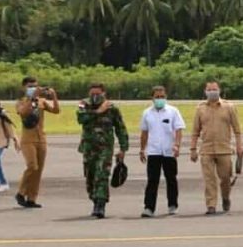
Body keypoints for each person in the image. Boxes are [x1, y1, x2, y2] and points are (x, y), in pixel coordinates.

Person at [189, 81, 243, 215]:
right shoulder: (200, 109)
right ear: (205, 91)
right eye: (209, 89)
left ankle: (225, 197)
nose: (212, 91)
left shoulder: (229, 107)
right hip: (206, 149)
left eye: (214, 89)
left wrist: (239, 146)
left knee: (225, 178)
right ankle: (211, 205)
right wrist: (193, 149)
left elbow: (237, 129)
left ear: (219, 90)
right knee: (209, 179)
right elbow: (195, 131)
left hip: (224, 149)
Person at [77, 83, 129, 219]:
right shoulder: (83, 104)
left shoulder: (112, 109)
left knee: (102, 174)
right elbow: (81, 119)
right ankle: (94, 198)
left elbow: (120, 129)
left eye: (98, 94)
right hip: (88, 148)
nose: (95, 97)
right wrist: (98, 111)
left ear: (104, 93)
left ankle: (100, 205)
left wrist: (123, 148)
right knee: (90, 176)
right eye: (92, 94)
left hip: (105, 148)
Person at [139, 86, 185, 218]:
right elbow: (144, 132)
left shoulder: (173, 111)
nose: (160, 99)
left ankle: (172, 205)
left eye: (162, 97)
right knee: (152, 180)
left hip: (169, 151)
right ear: (152, 98)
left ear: (166, 97)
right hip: (154, 151)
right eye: (157, 97)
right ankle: (149, 207)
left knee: (171, 179)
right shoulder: (147, 113)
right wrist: (142, 149)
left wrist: (177, 145)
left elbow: (178, 130)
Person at [15, 76, 60, 209]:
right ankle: (21, 192)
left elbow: (56, 110)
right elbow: (23, 112)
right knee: (32, 166)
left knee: (39, 170)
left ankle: (32, 198)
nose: (33, 89)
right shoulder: (21, 102)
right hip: (28, 140)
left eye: (35, 86)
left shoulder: (41, 101)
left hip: (41, 139)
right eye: (30, 87)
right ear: (24, 87)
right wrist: (31, 98)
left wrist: (54, 96)